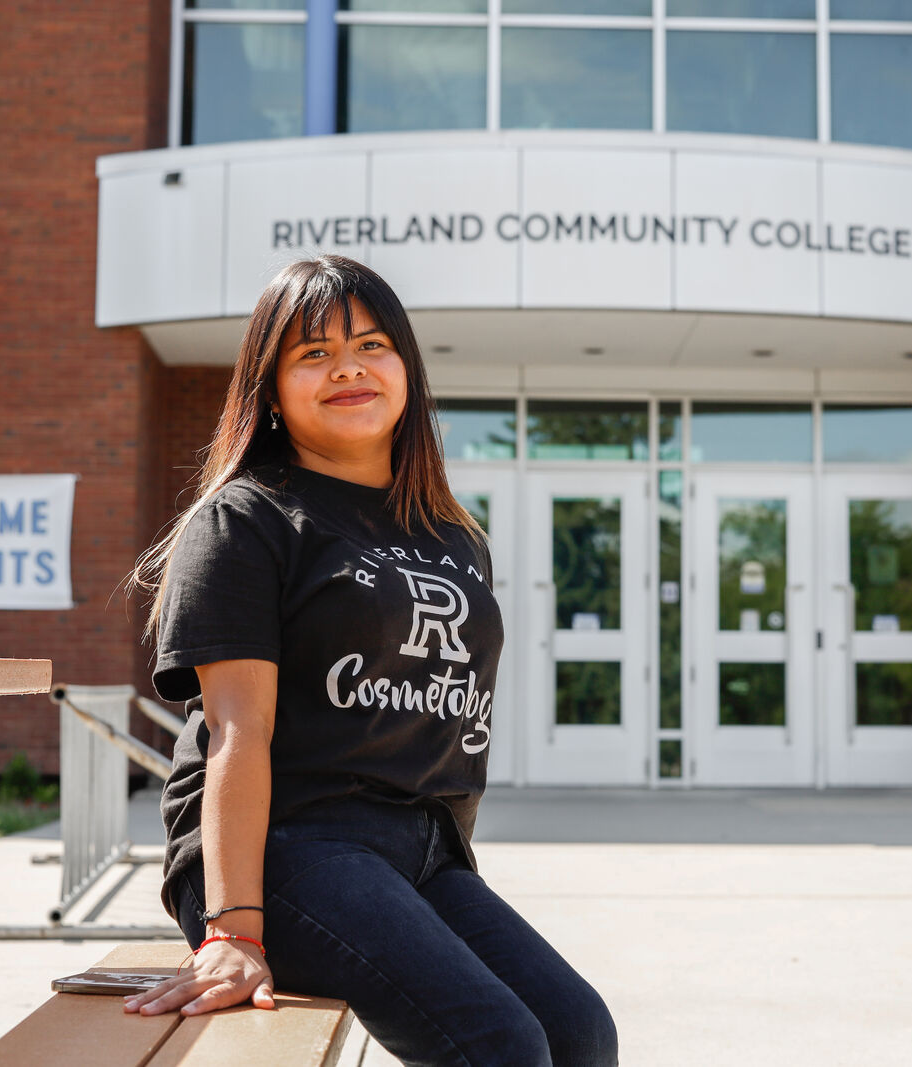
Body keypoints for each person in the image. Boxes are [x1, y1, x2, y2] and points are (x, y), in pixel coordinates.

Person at [124, 255, 618, 1066]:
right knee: (499, 1045)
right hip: (290, 841)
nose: (348, 366)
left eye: (371, 343)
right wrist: (233, 927)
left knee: (580, 1032)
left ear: (407, 371)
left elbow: (453, 721)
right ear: (270, 389)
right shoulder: (247, 520)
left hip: (418, 846)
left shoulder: (453, 534)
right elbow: (233, 731)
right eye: (312, 353)